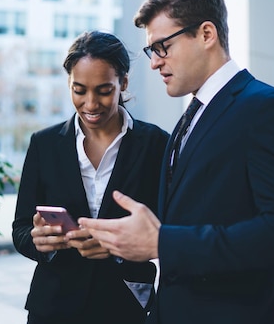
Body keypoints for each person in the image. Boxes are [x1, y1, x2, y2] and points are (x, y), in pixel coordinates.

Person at [79, 0, 274, 324]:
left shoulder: (271, 111)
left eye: (162, 47)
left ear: (207, 34)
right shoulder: (189, 118)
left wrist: (164, 243)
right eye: (151, 51)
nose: (154, 63)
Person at [12, 31, 169, 324]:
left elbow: (170, 228)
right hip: (53, 306)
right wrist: (39, 242)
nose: (90, 103)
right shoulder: (44, 144)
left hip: (126, 303)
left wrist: (120, 247)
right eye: (79, 90)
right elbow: (21, 228)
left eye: (104, 90)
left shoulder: (157, 145)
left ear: (123, 82)